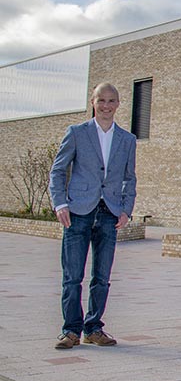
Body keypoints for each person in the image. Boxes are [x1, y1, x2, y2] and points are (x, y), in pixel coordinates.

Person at [49, 83, 137, 349]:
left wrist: (126, 210)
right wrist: (59, 203)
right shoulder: (77, 133)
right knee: (73, 275)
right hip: (78, 211)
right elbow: (57, 170)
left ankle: (94, 327)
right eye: (101, 101)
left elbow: (129, 178)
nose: (106, 106)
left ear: (118, 104)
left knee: (101, 276)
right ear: (93, 102)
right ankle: (71, 330)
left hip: (109, 213)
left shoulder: (127, 139)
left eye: (111, 101)